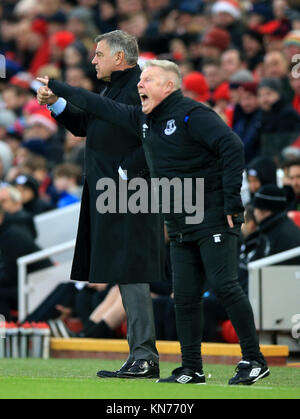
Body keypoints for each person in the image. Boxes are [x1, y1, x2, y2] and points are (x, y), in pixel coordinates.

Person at [38, 58, 270, 386]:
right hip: (179, 219)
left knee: (225, 286)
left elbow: (232, 146)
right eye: (140, 80)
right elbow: (98, 105)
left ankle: (254, 359)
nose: (140, 85)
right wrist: (57, 88)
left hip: (213, 215)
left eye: (147, 80)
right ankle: (192, 368)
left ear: (168, 86)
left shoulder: (194, 114)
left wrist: (233, 201)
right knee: (185, 295)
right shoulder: (143, 119)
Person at [37, 30, 164, 380]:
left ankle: (145, 356)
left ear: (119, 58)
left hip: (131, 192)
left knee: (133, 271)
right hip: (110, 191)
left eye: (98, 54)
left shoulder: (142, 84)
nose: (93, 60)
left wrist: (128, 171)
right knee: (125, 272)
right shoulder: (113, 87)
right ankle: (138, 354)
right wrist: (56, 104)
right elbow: (86, 125)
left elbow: (148, 132)